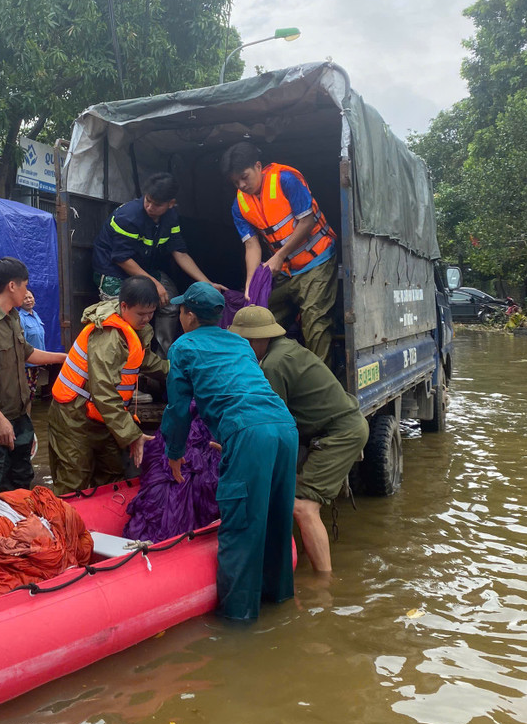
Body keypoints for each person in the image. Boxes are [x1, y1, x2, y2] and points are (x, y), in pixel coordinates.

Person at [160, 282, 298, 622]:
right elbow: (241, 387)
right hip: (284, 428)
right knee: (277, 525)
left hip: (249, 434)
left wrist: (174, 452)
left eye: (181, 310)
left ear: (189, 316)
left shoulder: (183, 347)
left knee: (240, 531)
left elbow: (178, 410)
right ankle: (281, 609)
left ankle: (238, 626)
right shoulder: (240, 343)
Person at [230, 305, 369, 574]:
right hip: (334, 427)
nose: (240, 348)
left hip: (340, 434)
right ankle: (303, 562)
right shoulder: (284, 349)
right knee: (293, 496)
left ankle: (323, 582)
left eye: (243, 342)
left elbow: (271, 426)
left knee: (303, 507)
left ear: (258, 339)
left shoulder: (273, 364)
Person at [48, 275, 169, 495]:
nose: (146, 319)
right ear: (124, 306)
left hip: (104, 416)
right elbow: (103, 392)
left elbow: (144, 360)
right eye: (141, 314)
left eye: (151, 313)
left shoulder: (133, 329)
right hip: (74, 415)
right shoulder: (109, 337)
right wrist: (132, 434)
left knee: (112, 476)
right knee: (74, 480)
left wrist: (173, 370)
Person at [220, 141, 337, 364]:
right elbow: (251, 245)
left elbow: (307, 220)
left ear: (257, 166)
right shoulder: (239, 205)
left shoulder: (285, 180)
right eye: (236, 182)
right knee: (261, 317)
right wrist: (250, 284)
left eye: (245, 177)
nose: (242, 185)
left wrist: (279, 255)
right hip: (285, 270)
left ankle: (321, 387)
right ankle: (266, 377)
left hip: (317, 260)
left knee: (315, 322)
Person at [92, 172, 225, 354]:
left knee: (170, 301)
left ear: (171, 204)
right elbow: (121, 259)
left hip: (145, 270)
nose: (150, 207)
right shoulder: (129, 216)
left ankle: (164, 356)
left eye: (157, 204)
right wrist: (154, 284)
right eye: (148, 200)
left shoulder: (171, 218)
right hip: (113, 272)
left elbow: (179, 252)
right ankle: (126, 356)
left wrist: (207, 282)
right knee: (125, 313)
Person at [0, 258, 66, 498]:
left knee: (21, 478)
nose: (27, 292)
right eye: (25, 286)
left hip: (20, 416)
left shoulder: (14, 317)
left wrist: (65, 358)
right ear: (12, 286)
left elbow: (27, 352)